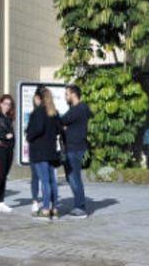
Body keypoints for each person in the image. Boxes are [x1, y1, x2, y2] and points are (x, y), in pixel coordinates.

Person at [27, 86, 62, 220]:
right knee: (53, 180)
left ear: (38, 98)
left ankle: (46, 209)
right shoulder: (54, 112)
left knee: (44, 181)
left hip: (39, 151)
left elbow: (36, 130)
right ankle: (55, 208)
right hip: (52, 150)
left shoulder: (38, 112)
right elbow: (59, 130)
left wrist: (29, 136)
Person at [61, 84, 91, 219]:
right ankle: (79, 205)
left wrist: (65, 126)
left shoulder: (78, 109)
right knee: (71, 177)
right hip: (73, 147)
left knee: (74, 177)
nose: (65, 97)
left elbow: (62, 120)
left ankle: (80, 207)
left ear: (73, 94)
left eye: (67, 94)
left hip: (74, 148)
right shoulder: (79, 109)